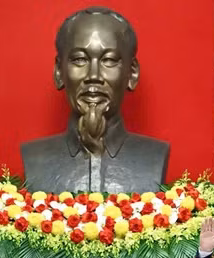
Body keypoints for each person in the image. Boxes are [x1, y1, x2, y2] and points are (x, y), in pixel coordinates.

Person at [21, 7, 169, 193]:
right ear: (59, 71)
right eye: (79, 59)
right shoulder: (34, 157)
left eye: (109, 60)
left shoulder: (155, 156)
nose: (94, 75)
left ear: (132, 73)